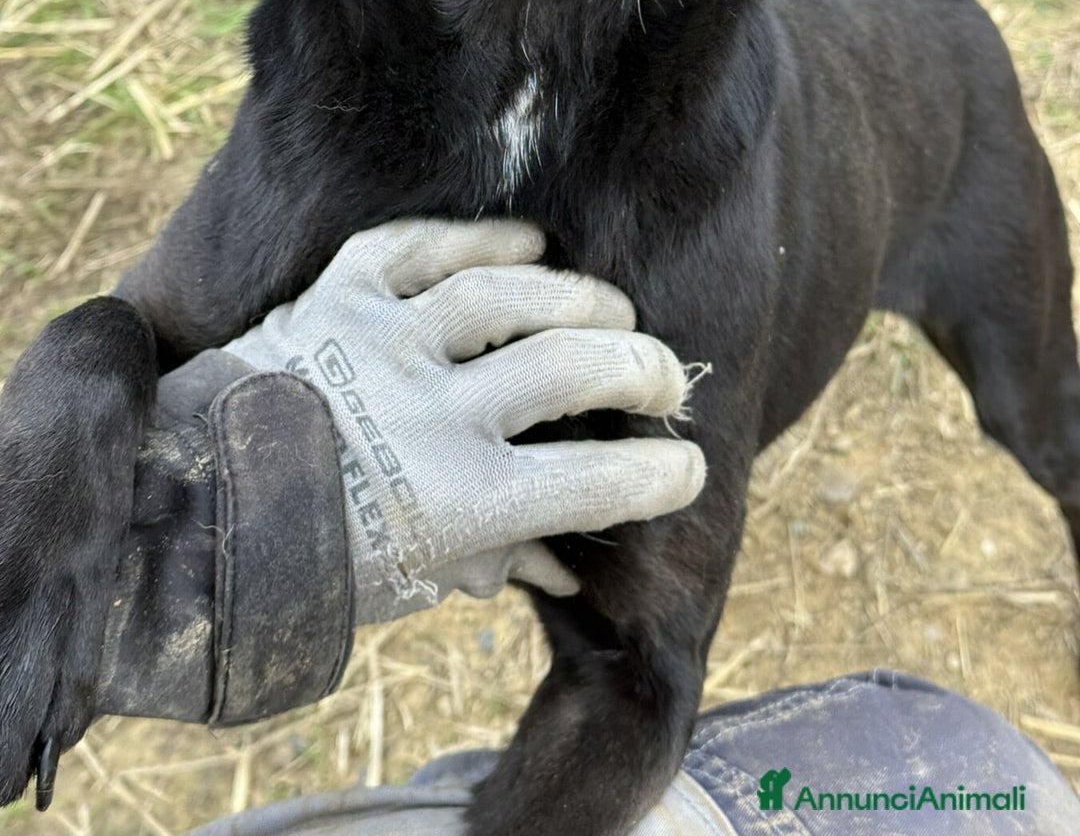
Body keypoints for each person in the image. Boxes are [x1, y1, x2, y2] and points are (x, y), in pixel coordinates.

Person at [59, 220, 1080, 831]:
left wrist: (165, 553)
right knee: (962, 780)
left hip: (936, 87)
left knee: (1048, 427)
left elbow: (643, 677)